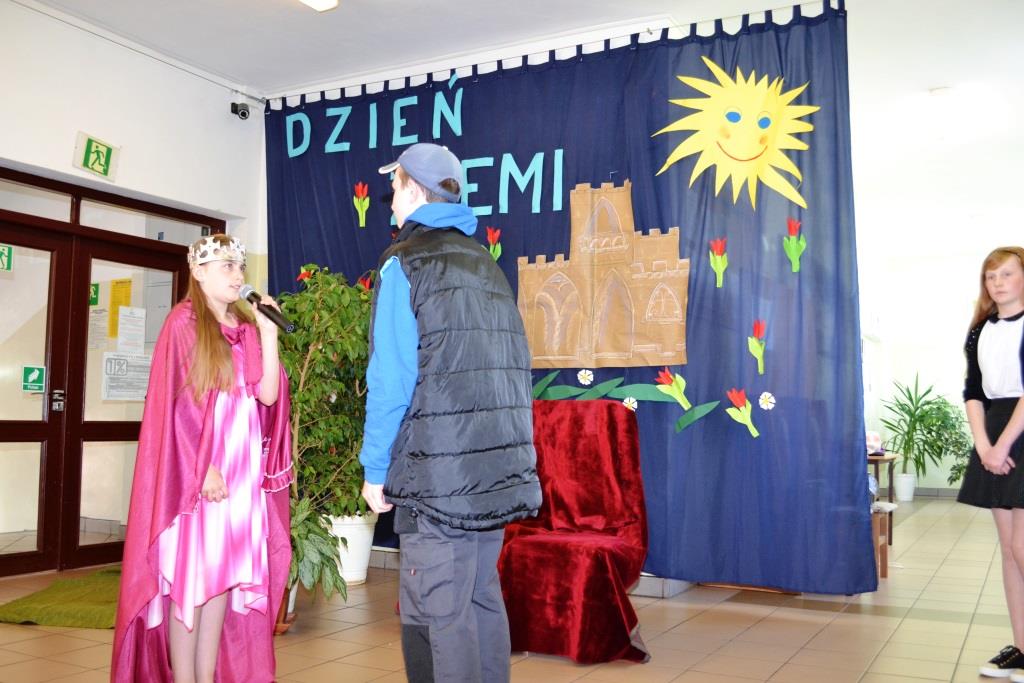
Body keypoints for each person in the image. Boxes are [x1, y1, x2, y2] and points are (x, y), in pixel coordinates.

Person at [359, 142, 542, 683]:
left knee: (438, 615)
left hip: (437, 477)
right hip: (493, 472)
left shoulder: (405, 262)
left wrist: (375, 467)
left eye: (395, 188)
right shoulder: (486, 264)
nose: (391, 201)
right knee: (481, 600)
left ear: (415, 190)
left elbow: (391, 379)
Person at [112, 234, 294, 683]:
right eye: (226, 266)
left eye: (240, 266)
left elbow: (268, 394)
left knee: (221, 581)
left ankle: (206, 676)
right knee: (192, 583)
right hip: (198, 474)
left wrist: (268, 332)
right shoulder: (183, 323)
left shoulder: (245, 328)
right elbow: (172, 406)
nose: (237, 274)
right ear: (198, 271)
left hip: (240, 473)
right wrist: (201, 467)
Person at [957, 247, 1024, 679]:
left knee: (1022, 547)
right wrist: (985, 445)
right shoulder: (980, 329)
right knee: (1009, 551)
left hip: (1020, 427)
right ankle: (1022, 646)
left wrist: (1003, 445)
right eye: (990, 276)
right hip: (995, 429)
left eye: (1007, 274)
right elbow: (973, 391)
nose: (997, 283)